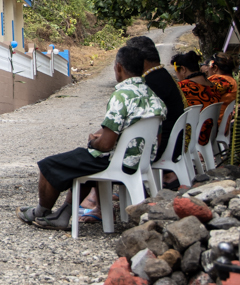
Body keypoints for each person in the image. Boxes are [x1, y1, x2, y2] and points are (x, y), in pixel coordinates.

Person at [18, 46, 166, 230]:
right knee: (83, 163)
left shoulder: (122, 96)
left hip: (117, 162)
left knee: (49, 165)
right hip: (141, 162)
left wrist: (93, 141)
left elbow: (105, 145)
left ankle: (41, 211)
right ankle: (63, 214)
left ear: (118, 67)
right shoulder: (154, 97)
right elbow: (148, 136)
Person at [173, 51, 222, 145]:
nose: (177, 76)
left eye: (176, 71)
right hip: (210, 134)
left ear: (183, 69)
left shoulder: (182, 87)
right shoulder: (213, 86)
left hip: (193, 137)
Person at [203, 52, 237, 123]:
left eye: (208, 66)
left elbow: (201, 95)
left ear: (215, 68)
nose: (207, 70)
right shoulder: (230, 80)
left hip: (213, 125)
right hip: (221, 124)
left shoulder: (220, 81)